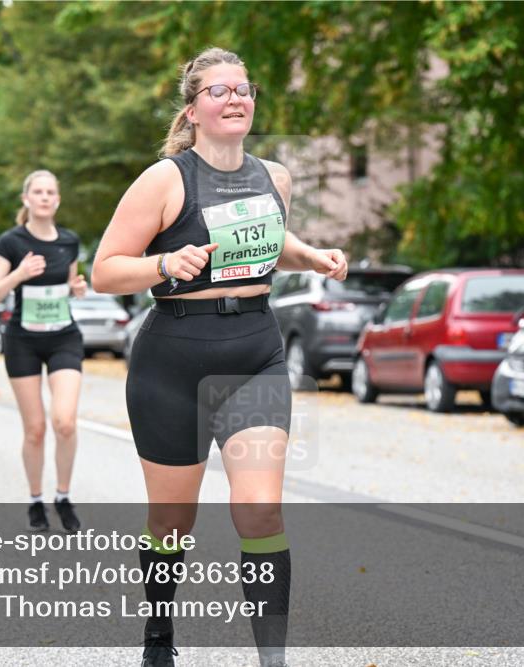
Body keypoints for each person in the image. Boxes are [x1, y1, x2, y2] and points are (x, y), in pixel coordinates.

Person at [91, 47, 349, 667]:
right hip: (172, 359)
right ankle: (158, 644)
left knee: (259, 508)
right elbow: (103, 271)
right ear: (193, 110)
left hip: (253, 355)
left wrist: (309, 255)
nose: (235, 98)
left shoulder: (275, 177)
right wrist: (161, 264)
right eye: (219, 91)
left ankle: (273, 659)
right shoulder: (165, 180)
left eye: (244, 89)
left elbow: (262, 237)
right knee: (173, 521)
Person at [0, 170, 89, 533]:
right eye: (38, 192)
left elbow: (70, 283)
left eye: (50, 192)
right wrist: (19, 274)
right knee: (35, 430)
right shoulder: (11, 242)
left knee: (65, 421)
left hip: (63, 336)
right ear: (26, 199)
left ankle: (63, 495)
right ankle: (35, 501)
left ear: (57, 200)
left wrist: (76, 288)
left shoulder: (70, 241)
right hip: (23, 340)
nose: (44, 197)